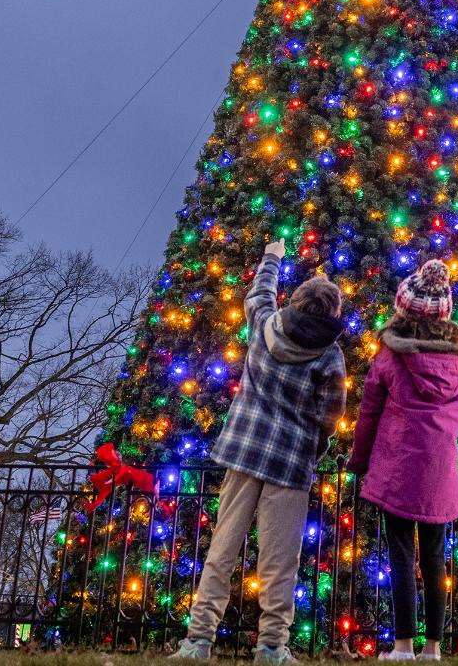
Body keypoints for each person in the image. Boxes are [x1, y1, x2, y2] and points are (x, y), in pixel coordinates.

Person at [173, 237, 347, 664]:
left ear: (297, 302)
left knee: (222, 548)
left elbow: (260, 292)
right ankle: (271, 646)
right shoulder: (331, 357)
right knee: (279, 563)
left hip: (244, 453)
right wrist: (313, 450)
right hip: (289, 463)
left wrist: (273, 255)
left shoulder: (264, 324)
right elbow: (329, 418)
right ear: (333, 314)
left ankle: (198, 641)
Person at [349, 259, 458, 661]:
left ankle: (402, 645)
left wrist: (358, 461)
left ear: (405, 308)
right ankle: (433, 648)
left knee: (402, 555)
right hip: (439, 472)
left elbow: (368, 413)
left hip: (398, 469)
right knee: (435, 557)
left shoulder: (389, 357)